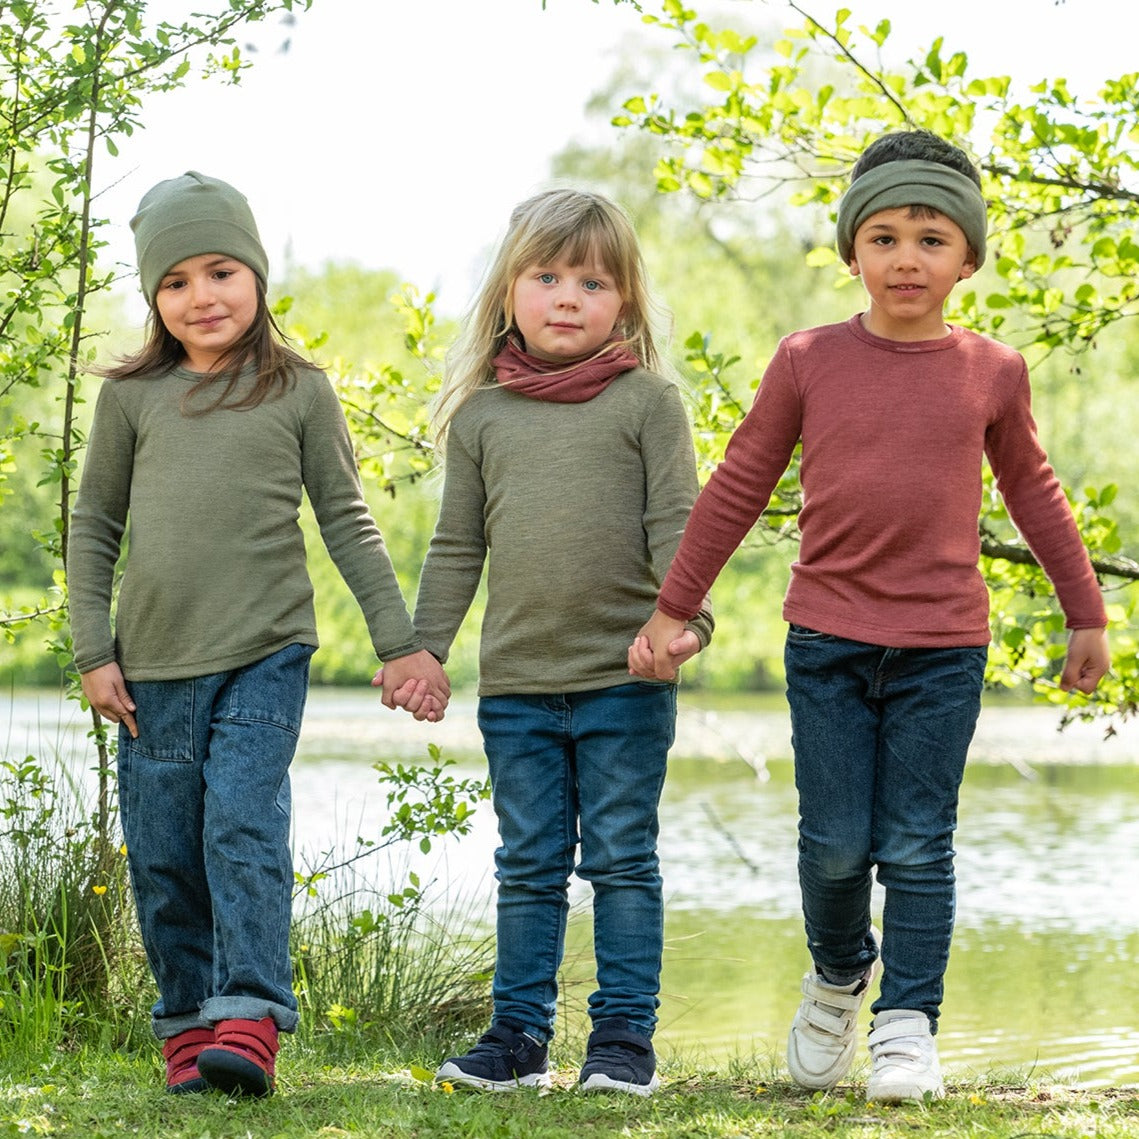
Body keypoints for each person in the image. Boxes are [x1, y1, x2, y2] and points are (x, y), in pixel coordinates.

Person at [629, 129, 1110, 1102]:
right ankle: (839, 969)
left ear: (965, 257)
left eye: (930, 238)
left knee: (919, 839)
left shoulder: (992, 369)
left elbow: (1033, 490)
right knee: (835, 842)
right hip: (827, 639)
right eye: (882, 236)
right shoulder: (807, 359)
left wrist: (1083, 611)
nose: (904, 257)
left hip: (941, 646)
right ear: (850, 250)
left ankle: (905, 1024)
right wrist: (673, 608)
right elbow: (733, 486)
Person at [66, 171, 450, 1097]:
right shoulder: (131, 399)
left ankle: (250, 1013)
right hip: (151, 663)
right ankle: (186, 1027)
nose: (202, 296)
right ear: (154, 296)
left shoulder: (300, 391)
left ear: (258, 276)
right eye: (177, 281)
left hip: (267, 651)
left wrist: (401, 643)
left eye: (221, 271)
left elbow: (349, 521)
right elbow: (93, 528)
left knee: (241, 818)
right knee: (163, 851)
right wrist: (91, 649)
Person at [390, 187, 713, 1095]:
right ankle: (518, 1038)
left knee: (621, 858)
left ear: (624, 303)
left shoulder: (648, 403)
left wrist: (682, 623)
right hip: (520, 686)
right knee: (528, 863)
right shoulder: (484, 417)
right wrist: (424, 647)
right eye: (547, 277)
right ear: (508, 292)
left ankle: (620, 1042)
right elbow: (457, 545)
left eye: (592, 281)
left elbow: (680, 528)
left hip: (624, 681)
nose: (568, 296)